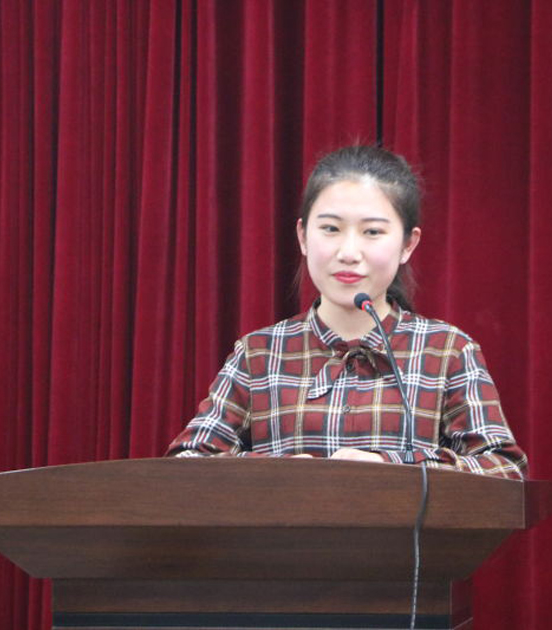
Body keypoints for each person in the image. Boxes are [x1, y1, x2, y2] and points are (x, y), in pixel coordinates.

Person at [165, 145, 527, 479]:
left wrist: (390, 468)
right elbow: (185, 464)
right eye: (330, 229)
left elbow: (505, 470)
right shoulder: (259, 354)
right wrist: (277, 472)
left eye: (372, 232)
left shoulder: (446, 350)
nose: (349, 252)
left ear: (408, 244)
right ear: (303, 237)